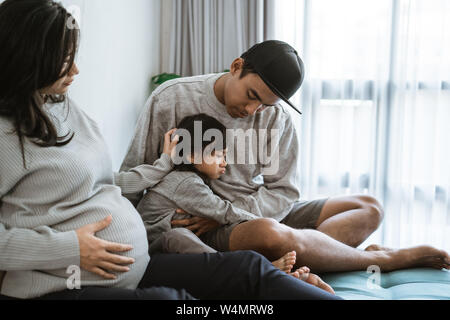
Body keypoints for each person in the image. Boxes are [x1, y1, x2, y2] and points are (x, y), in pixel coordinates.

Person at [0, 0, 341, 300]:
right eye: (64, 60)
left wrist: (164, 164)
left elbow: (109, 182)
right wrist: (68, 248)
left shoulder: (64, 107)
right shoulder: (5, 137)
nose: (76, 70)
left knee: (248, 268)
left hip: (132, 265)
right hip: (63, 284)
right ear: (29, 58)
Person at [120, 40, 450, 273]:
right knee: (270, 234)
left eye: (265, 104)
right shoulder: (172, 98)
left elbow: (284, 191)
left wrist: (236, 214)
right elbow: (135, 173)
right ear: (236, 67)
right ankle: (383, 260)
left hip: (246, 214)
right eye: (251, 96)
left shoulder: (276, 119)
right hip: (204, 225)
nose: (253, 110)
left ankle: (328, 255)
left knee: (368, 208)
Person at [135, 113, 335, 294]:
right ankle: (243, 269)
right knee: (177, 236)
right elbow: (225, 211)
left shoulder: (191, 181)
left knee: (186, 238)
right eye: (217, 154)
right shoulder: (185, 183)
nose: (224, 162)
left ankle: (251, 271)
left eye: (224, 154)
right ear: (192, 156)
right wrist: (268, 224)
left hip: (173, 255)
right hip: (155, 252)